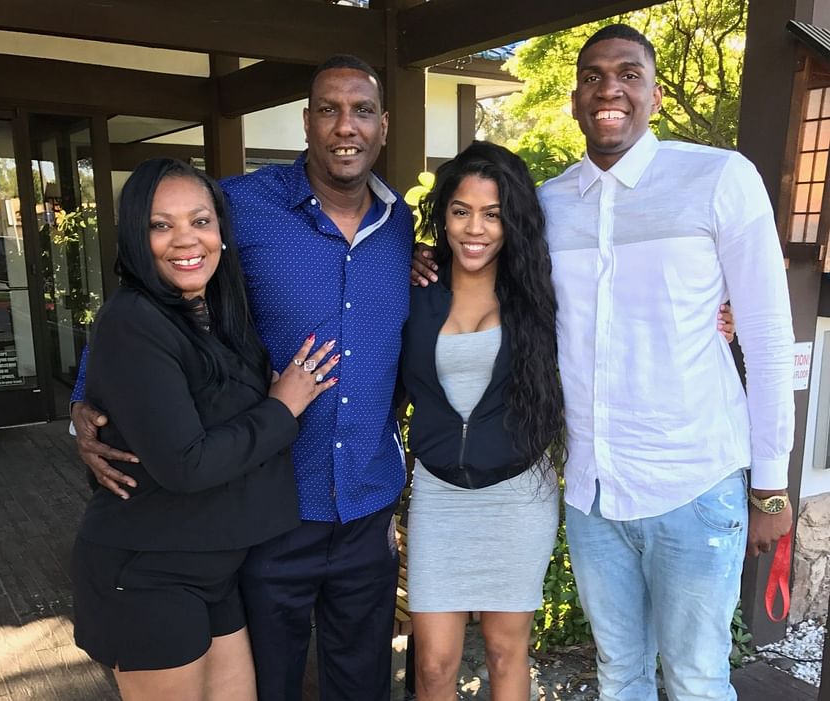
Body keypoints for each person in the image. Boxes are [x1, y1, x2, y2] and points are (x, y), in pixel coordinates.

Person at [413, 23, 791, 701]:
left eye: (627, 74)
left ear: (654, 93)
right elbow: (491, 260)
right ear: (575, 97)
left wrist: (771, 485)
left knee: (698, 678)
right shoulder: (550, 205)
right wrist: (425, 258)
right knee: (619, 675)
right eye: (592, 76)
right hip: (593, 494)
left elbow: (765, 333)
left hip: (695, 483)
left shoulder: (718, 179)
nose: (609, 88)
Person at [71, 56, 413, 700]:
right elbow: (153, 292)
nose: (346, 126)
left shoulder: (401, 227)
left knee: (364, 681)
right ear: (306, 122)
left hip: (368, 504)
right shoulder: (239, 206)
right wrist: (85, 403)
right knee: (267, 684)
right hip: (269, 511)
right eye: (329, 110)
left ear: (383, 125)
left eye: (362, 111)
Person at [72, 158, 338, 701]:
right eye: (160, 225)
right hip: (149, 572)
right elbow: (185, 464)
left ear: (221, 228)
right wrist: (282, 407)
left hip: (214, 568)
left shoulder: (214, 312)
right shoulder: (133, 321)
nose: (184, 240)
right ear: (134, 236)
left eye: (199, 221)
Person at [400, 141, 564, 701]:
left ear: (511, 220)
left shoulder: (542, 292)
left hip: (517, 494)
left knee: (503, 652)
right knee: (433, 666)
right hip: (440, 495)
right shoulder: (415, 290)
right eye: (462, 210)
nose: (476, 228)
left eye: (493, 214)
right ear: (443, 214)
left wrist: (722, 319)